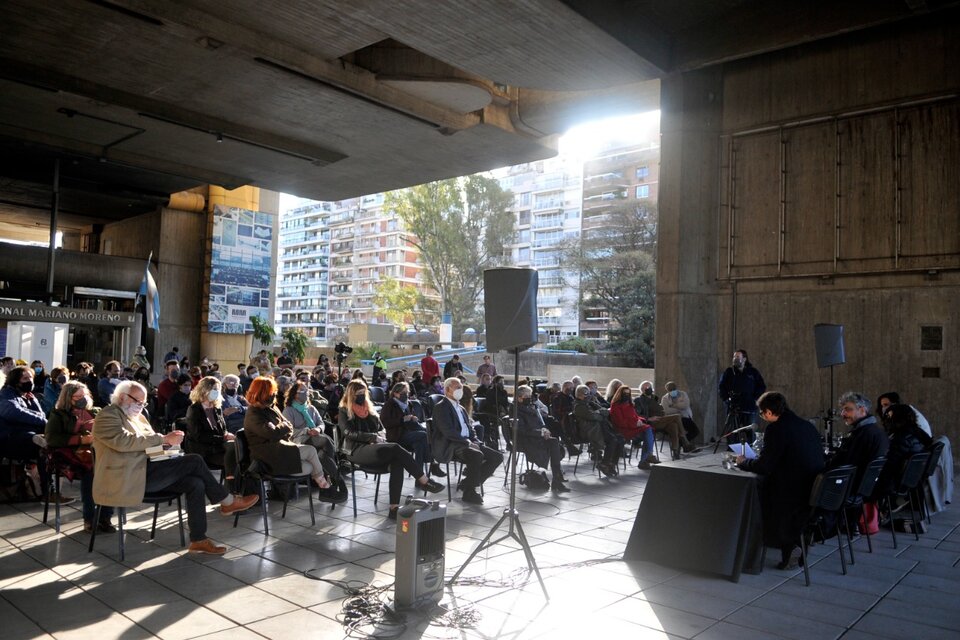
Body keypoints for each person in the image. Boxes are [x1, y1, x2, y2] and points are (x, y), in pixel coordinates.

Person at [93, 380, 259, 554]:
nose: (140, 406)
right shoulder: (107, 415)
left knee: (196, 483)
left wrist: (167, 446)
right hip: (127, 477)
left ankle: (199, 539)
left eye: (144, 403)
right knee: (194, 460)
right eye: (137, 401)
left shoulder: (139, 417)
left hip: (147, 470)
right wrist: (163, 439)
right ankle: (227, 502)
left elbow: (149, 444)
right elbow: (123, 441)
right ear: (121, 397)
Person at [737, 391, 825, 570]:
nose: (763, 417)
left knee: (754, 496)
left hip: (791, 492)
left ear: (769, 412)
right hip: (813, 489)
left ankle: (779, 545)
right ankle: (796, 542)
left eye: (762, 414)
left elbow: (764, 466)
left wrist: (744, 462)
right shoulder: (806, 425)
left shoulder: (776, 428)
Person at [337, 380, 444, 518]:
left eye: (364, 393)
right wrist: (372, 438)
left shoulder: (369, 409)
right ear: (351, 395)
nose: (362, 396)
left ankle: (393, 508)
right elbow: (348, 432)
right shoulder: (344, 410)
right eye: (358, 393)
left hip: (375, 447)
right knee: (395, 447)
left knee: (397, 462)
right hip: (355, 450)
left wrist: (379, 437)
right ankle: (424, 480)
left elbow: (382, 429)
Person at [244, 377, 345, 502]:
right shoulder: (254, 413)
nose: (274, 394)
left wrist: (279, 428)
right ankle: (326, 488)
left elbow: (287, 426)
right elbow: (272, 433)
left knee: (310, 466)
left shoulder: (272, 408)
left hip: (281, 448)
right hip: (268, 456)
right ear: (261, 393)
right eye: (271, 392)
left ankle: (327, 485)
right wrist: (280, 429)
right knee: (312, 450)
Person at [45, 381, 110, 532]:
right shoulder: (59, 414)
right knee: (90, 473)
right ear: (69, 398)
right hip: (73, 454)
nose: (83, 399)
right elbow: (52, 438)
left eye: (85, 395)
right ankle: (90, 518)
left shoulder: (96, 411)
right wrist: (80, 439)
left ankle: (105, 516)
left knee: (110, 470)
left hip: (96, 451)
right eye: (78, 396)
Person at [431, 378, 503, 505]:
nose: (460, 390)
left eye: (461, 387)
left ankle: (467, 483)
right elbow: (448, 432)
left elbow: (470, 429)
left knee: (497, 457)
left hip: (467, 442)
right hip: (452, 445)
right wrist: (468, 442)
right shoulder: (441, 407)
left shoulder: (461, 408)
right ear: (447, 390)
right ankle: (469, 492)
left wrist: (474, 440)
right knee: (476, 455)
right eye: (457, 387)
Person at [281, 380, 345, 500]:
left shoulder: (311, 408)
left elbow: (321, 423)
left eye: (307, 390)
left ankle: (328, 483)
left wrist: (318, 429)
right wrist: (306, 431)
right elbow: (289, 431)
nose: (306, 393)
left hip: (315, 436)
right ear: (295, 394)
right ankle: (335, 479)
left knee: (323, 455)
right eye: (303, 391)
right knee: (326, 441)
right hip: (300, 440)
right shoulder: (288, 410)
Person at [0, 366, 53, 499]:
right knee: (37, 442)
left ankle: (47, 490)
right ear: (16, 381)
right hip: (10, 439)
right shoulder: (6, 394)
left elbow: (41, 414)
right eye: (25, 378)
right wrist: (40, 420)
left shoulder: (29, 397)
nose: (29, 381)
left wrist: (34, 403)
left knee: (44, 448)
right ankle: (48, 493)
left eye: (31, 378)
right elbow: (13, 412)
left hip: (27, 436)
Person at [380, 381, 445, 478]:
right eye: (402, 393)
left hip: (409, 431)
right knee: (424, 435)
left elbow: (411, 416)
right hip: (397, 434)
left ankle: (419, 478)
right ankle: (432, 463)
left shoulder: (408, 404)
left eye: (406, 393)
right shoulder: (389, 404)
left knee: (420, 444)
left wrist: (413, 418)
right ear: (395, 393)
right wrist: (402, 420)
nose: (405, 395)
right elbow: (385, 422)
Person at [828, 392, 889, 490]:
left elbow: (848, 464)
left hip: (851, 488)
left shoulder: (864, 434)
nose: (843, 414)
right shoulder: (875, 431)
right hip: (868, 487)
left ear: (862, 410)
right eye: (842, 410)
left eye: (848, 409)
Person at [515, 385, 569, 493]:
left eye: (530, 396)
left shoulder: (531, 407)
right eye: (527, 396)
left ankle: (557, 480)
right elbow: (521, 430)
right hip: (526, 439)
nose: (529, 398)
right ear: (519, 397)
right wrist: (540, 433)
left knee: (554, 442)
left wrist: (544, 430)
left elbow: (540, 423)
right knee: (553, 446)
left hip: (536, 436)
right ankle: (557, 481)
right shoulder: (516, 410)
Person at [183, 377, 237, 477]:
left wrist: (227, 434)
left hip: (218, 446)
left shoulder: (216, 408)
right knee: (233, 456)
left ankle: (233, 485)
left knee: (238, 450)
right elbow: (198, 436)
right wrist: (223, 438)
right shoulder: (194, 410)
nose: (216, 392)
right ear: (204, 390)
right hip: (204, 450)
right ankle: (232, 485)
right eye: (214, 390)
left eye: (217, 390)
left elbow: (222, 430)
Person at [635, 381, 696, 460]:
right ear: (642, 390)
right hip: (651, 422)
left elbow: (663, 409)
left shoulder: (655, 398)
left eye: (649, 387)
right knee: (677, 416)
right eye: (646, 388)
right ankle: (685, 441)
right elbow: (637, 414)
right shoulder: (639, 400)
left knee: (673, 426)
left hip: (661, 419)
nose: (648, 389)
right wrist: (649, 418)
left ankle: (675, 452)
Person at [573, 384, 623, 477]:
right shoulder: (579, 406)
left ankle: (611, 464)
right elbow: (593, 416)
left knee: (620, 440)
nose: (588, 396)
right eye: (585, 394)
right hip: (590, 431)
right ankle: (604, 464)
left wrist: (599, 413)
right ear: (579, 395)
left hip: (599, 428)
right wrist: (600, 414)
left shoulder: (589, 403)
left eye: (588, 393)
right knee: (612, 440)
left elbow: (606, 411)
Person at [718, 349, 766, 440]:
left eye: (737, 357)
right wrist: (726, 399)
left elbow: (761, 386)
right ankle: (732, 449)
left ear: (744, 359)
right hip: (733, 407)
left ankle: (749, 449)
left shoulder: (753, 372)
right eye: (734, 357)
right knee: (732, 432)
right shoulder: (729, 372)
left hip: (749, 407)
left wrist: (756, 399)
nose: (735, 359)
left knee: (750, 432)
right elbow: (721, 387)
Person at [609, 385, 658, 469]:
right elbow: (620, 422)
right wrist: (635, 423)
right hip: (623, 429)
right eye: (624, 393)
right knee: (648, 431)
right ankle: (646, 458)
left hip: (633, 428)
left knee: (649, 431)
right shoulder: (615, 406)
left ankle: (646, 459)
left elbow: (635, 416)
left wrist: (642, 420)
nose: (626, 395)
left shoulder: (629, 404)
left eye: (628, 394)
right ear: (620, 394)